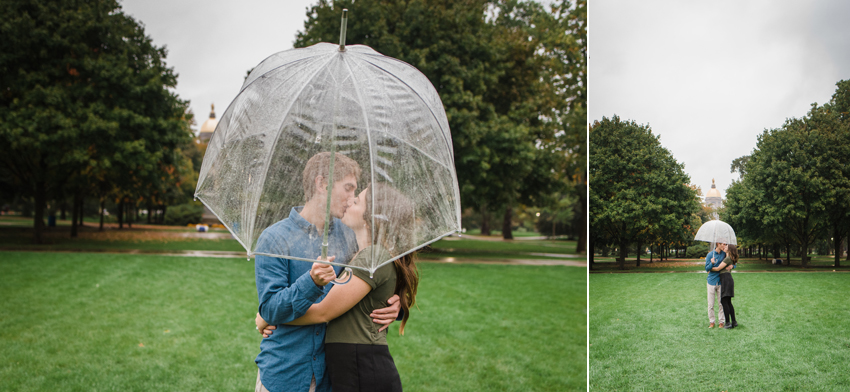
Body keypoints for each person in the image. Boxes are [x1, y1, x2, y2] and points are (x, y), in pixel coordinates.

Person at [253, 152, 401, 392]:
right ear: (322, 184)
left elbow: (368, 281)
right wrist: (311, 282)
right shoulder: (274, 239)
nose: (352, 199)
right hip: (285, 375)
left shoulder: (348, 235)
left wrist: (397, 304)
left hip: (332, 377)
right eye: (348, 188)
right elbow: (270, 308)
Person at [711, 243, 738, 329]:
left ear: (729, 250)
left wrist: (709, 267)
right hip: (728, 279)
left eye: (726, 246)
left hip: (726, 280)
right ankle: (734, 321)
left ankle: (727, 323)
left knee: (724, 301)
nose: (724, 247)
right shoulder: (729, 258)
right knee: (728, 302)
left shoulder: (727, 259)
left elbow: (718, 268)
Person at [704, 242, 731, 328]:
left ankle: (721, 322)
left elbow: (733, 262)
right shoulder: (710, 255)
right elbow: (706, 269)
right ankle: (712, 322)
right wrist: (711, 263)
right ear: (718, 244)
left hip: (721, 281)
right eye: (723, 244)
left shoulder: (724, 254)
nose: (725, 246)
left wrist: (732, 266)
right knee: (711, 304)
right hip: (711, 282)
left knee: (721, 303)